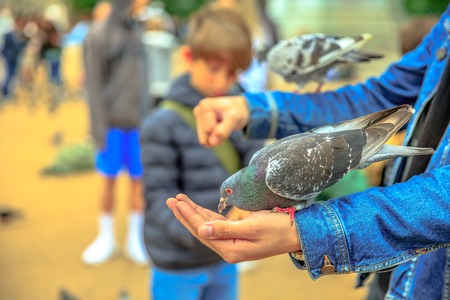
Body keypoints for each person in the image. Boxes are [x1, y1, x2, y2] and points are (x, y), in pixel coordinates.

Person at [167, 4, 450, 299]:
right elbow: (381, 94)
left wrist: (305, 230)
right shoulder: (447, 24)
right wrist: (253, 108)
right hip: (394, 276)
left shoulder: (272, 175)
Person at [140, 4, 264, 299]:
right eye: (214, 68)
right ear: (188, 57)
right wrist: (207, 233)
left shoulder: (242, 110)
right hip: (178, 261)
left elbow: (255, 165)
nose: (223, 81)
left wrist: (247, 210)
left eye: (233, 72)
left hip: (225, 255)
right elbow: (159, 196)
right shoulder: (161, 123)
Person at [81, 0, 151, 266]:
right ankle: (106, 238)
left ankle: (136, 239)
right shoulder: (98, 35)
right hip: (110, 125)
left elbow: (144, 83)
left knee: (138, 181)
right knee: (108, 180)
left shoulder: (137, 32)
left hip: (139, 125)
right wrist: (97, 128)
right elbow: (94, 88)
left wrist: (148, 121)